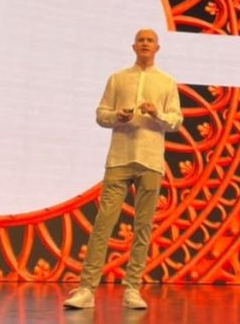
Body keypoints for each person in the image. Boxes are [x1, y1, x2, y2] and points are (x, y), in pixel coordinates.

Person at [64, 28, 183, 310]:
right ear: (134, 46)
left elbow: (176, 121)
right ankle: (87, 289)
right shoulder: (117, 78)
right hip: (119, 158)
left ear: (157, 47)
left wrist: (156, 114)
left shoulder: (167, 82)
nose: (145, 44)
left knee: (143, 227)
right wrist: (117, 116)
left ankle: (132, 288)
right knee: (103, 223)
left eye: (150, 40)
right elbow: (101, 115)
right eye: (141, 40)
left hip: (150, 160)